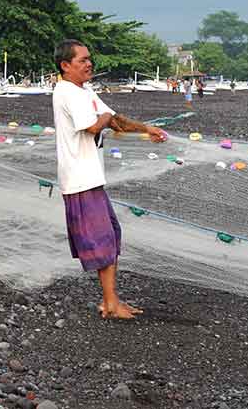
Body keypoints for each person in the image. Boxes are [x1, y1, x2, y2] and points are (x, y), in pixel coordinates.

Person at [52, 40, 167, 320]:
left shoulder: (84, 90)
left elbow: (114, 120)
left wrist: (146, 128)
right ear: (65, 66)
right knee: (102, 240)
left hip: (91, 177)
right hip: (80, 178)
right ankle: (110, 303)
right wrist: (103, 115)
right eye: (82, 60)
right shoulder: (67, 91)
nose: (89, 64)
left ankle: (111, 300)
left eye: (89, 59)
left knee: (111, 236)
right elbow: (94, 126)